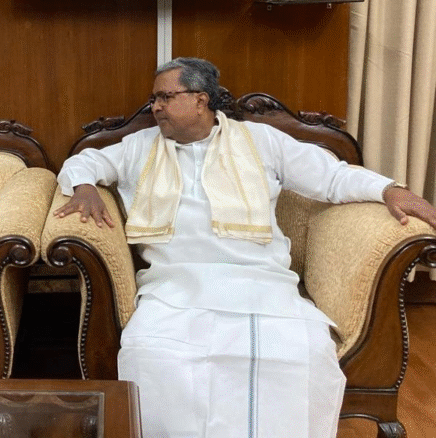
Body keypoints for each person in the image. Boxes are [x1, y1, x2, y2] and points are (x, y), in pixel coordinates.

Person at [54, 58, 436, 438]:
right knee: (151, 355)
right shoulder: (140, 146)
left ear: (200, 100)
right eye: (155, 99)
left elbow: (331, 177)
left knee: (302, 355)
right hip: (173, 288)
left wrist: (389, 190)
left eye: (165, 97)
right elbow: (84, 161)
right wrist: (86, 187)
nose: (155, 107)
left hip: (262, 284)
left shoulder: (261, 140)